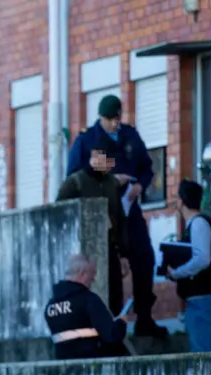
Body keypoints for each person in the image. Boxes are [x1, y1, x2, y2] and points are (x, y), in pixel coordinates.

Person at [66, 94, 166, 339]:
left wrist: (140, 186)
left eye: (117, 118)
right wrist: (111, 180)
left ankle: (144, 318)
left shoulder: (130, 136)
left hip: (130, 209)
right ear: (101, 117)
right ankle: (111, 323)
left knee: (144, 258)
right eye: (110, 119)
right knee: (111, 270)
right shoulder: (86, 140)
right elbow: (75, 178)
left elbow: (146, 167)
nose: (114, 123)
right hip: (104, 215)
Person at [57, 133, 131, 316]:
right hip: (84, 253)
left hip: (110, 250)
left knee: (114, 302)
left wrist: (124, 255)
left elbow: (119, 219)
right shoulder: (75, 183)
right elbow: (59, 215)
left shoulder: (111, 184)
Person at [166, 179, 211, 353]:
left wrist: (177, 273)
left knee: (203, 358)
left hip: (202, 302)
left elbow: (202, 259)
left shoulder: (198, 224)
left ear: (182, 201)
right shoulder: (198, 224)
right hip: (202, 302)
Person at [44, 253, 128, 360]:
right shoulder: (89, 300)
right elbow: (112, 335)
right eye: (92, 274)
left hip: (64, 370)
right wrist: (121, 322)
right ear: (82, 274)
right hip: (93, 368)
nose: (93, 279)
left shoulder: (50, 307)